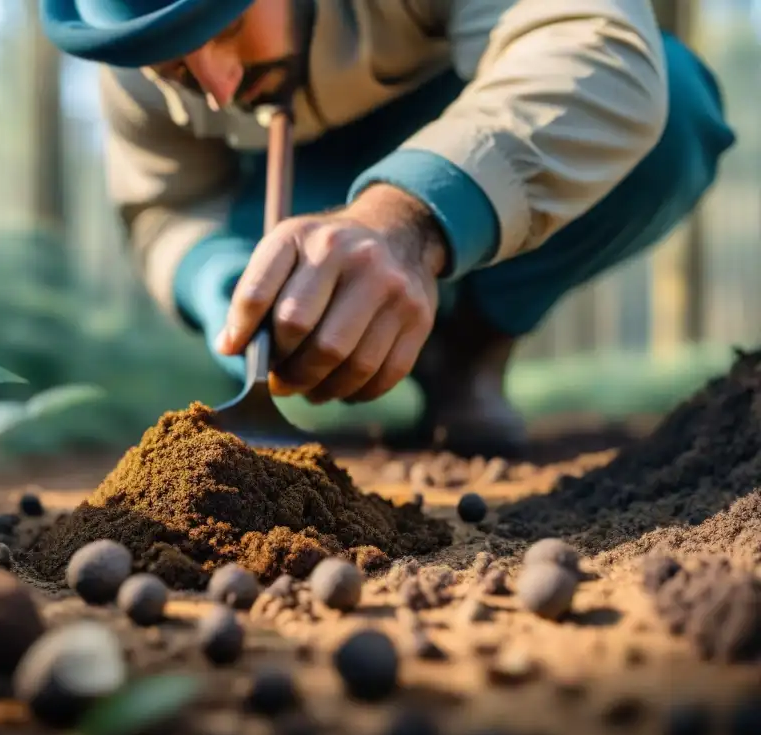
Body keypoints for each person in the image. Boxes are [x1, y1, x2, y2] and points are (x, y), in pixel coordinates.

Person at [40, 0, 735, 457]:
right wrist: (222, 281)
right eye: (173, 69)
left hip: (469, 122)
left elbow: (591, 46)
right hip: (284, 202)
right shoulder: (125, 62)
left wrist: (407, 217)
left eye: (224, 28)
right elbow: (165, 208)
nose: (219, 87)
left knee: (671, 110)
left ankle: (467, 354)